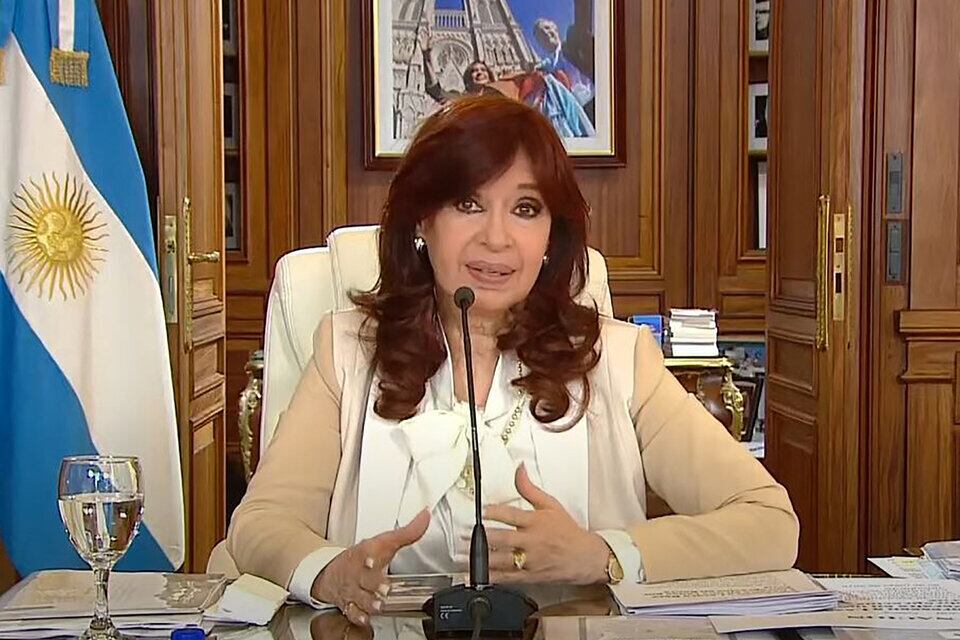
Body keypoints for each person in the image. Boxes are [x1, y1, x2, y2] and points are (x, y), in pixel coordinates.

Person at [226, 95, 799, 628]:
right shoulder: (347, 351)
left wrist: (604, 554)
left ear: (551, 235)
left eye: (526, 208)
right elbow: (260, 522)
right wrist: (330, 572)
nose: (496, 239)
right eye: (468, 204)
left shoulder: (618, 360)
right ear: (422, 220)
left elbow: (768, 521)